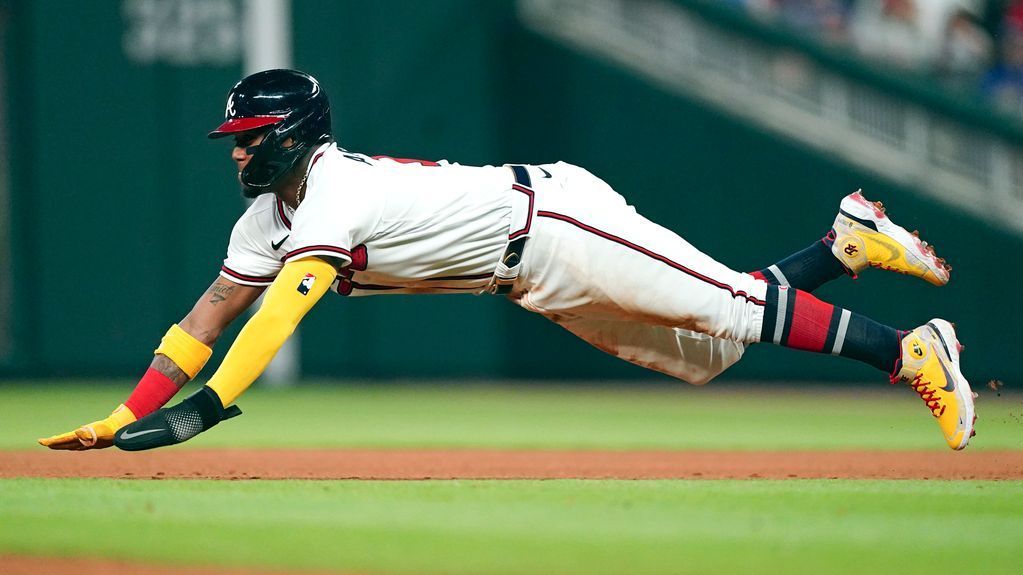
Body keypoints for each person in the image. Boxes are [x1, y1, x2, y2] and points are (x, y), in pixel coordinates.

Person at [39, 69, 976, 453]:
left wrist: (204, 414)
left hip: (556, 217)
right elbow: (211, 315)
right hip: (529, 275)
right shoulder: (265, 219)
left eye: (249, 137)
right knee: (707, 353)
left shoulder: (332, 192)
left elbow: (278, 316)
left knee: (731, 307)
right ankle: (841, 245)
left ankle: (908, 353)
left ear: (292, 135)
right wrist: (125, 413)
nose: (236, 152)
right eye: (234, 138)